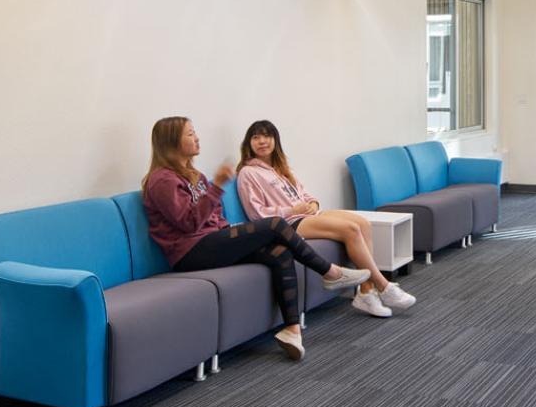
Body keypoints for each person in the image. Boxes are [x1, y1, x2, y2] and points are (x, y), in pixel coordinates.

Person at [141, 116, 370, 361]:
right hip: (189, 252)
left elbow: (214, 214)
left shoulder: (193, 174)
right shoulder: (162, 180)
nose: (196, 137)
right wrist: (217, 185)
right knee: (275, 225)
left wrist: (228, 230)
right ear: (172, 141)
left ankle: (292, 330)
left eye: (194, 132)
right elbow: (189, 223)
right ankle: (329, 272)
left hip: (211, 242)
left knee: (279, 253)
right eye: (190, 133)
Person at [235, 119, 416, 318]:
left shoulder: (281, 169)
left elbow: (303, 194)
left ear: (275, 140)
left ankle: (366, 291)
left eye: (267, 136)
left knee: (363, 224)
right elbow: (256, 213)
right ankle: (383, 286)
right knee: (351, 230)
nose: (262, 141)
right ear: (248, 143)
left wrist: (313, 204)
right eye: (256, 137)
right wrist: (291, 209)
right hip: (287, 224)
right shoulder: (247, 172)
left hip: (307, 214)